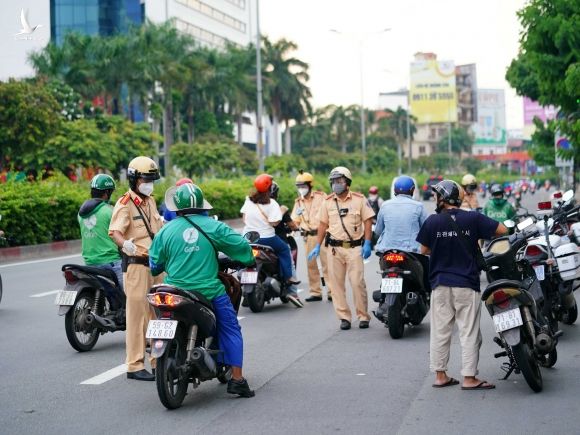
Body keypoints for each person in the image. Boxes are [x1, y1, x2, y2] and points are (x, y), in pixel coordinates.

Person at [149, 183, 255, 398]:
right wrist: (248, 258)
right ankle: (237, 379)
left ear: (176, 207)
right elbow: (243, 249)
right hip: (208, 292)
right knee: (230, 329)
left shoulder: (166, 230)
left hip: (173, 291)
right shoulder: (214, 227)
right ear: (201, 205)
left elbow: (155, 265)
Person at [416, 179, 508, 390]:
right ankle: (469, 378)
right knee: (469, 332)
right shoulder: (473, 218)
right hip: (466, 283)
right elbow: (502, 230)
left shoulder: (432, 221)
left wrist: (442, 247)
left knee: (440, 331)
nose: (435, 199)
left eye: (437, 195)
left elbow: (423, 250)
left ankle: (440, 375)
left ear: (443, 198)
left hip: (440, 284)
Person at [109, 156, 164, 381]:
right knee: (137, 317)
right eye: (145, 178)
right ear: (134, 179)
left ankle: (159, 360)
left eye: (151, 179)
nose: (149, 183)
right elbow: (115, 232)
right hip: (137, 266)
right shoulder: (125, 204)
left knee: (159, 314)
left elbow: (157, 227)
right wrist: (126, 244)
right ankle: (134, 365)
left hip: (156, 265)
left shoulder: (150, 200)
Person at [308, 166, 375, 330]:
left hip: (354, 248)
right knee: (336, 285)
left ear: (347, 182)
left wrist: (367, 243)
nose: (336, 184)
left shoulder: (359, 199)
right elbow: (323, 224)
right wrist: (317, 245)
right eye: (333, 182)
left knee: (357, 282)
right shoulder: (328, 202)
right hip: (334, 249)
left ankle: (363, 316)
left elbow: (367, 221)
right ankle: (344, 317)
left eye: (339, 181)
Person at [240, 174, 302, 308]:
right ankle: (288, 277)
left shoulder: (248, 200)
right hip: (266, 238)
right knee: (284, 249)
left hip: (248, 237)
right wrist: (282, 211)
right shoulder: (272, 204)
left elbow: (244, 219)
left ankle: (242, 272)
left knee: (242, 252)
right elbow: (274, 223)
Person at [375, 175, 430, 293]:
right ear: (412, 190)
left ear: (394, 190)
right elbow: (427, 230)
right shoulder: (418, 206)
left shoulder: (385, 205)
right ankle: (427, 294)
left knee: (385, 273)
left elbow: (378, 231)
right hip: (412, 252)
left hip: (387, 251)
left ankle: (384, 294)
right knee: (427, 273)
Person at [78, 174, 124, 308]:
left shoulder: (81, 214)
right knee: (130, 296)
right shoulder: (110, 212)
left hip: (89, 262)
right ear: (106, 193)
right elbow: (120, 235)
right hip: (110, 262)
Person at [291, 171, 333, 302]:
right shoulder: (298, 202)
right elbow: (295, 220)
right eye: (298, 186)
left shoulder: (321, 197)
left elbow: (329, 213)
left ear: (310, 185)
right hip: (308, 237)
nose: (301, 189)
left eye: (303, 186)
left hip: (323, 234)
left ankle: (332, 292)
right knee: (311, 265)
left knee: (327, 264)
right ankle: (315, 292)